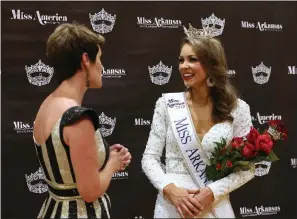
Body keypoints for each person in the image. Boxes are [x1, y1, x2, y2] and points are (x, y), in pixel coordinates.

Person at [141, 24, 255, 218]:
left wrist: (212, 192)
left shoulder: (238, 108)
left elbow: (248, 168)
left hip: (215, 206)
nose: (184, 66)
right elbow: (149, 158)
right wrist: (169, 188)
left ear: (212, 64)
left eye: (192, 59)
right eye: (181, 60)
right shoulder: (167, 105)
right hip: (172, 207)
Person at [32, 22, 132, 218]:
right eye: (100, 60)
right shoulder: (78, 117)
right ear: (86, 59)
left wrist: (103, 155)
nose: (102, 67)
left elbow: (65, 162)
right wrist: (112, 163)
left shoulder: (47, 104)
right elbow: (90, 192)